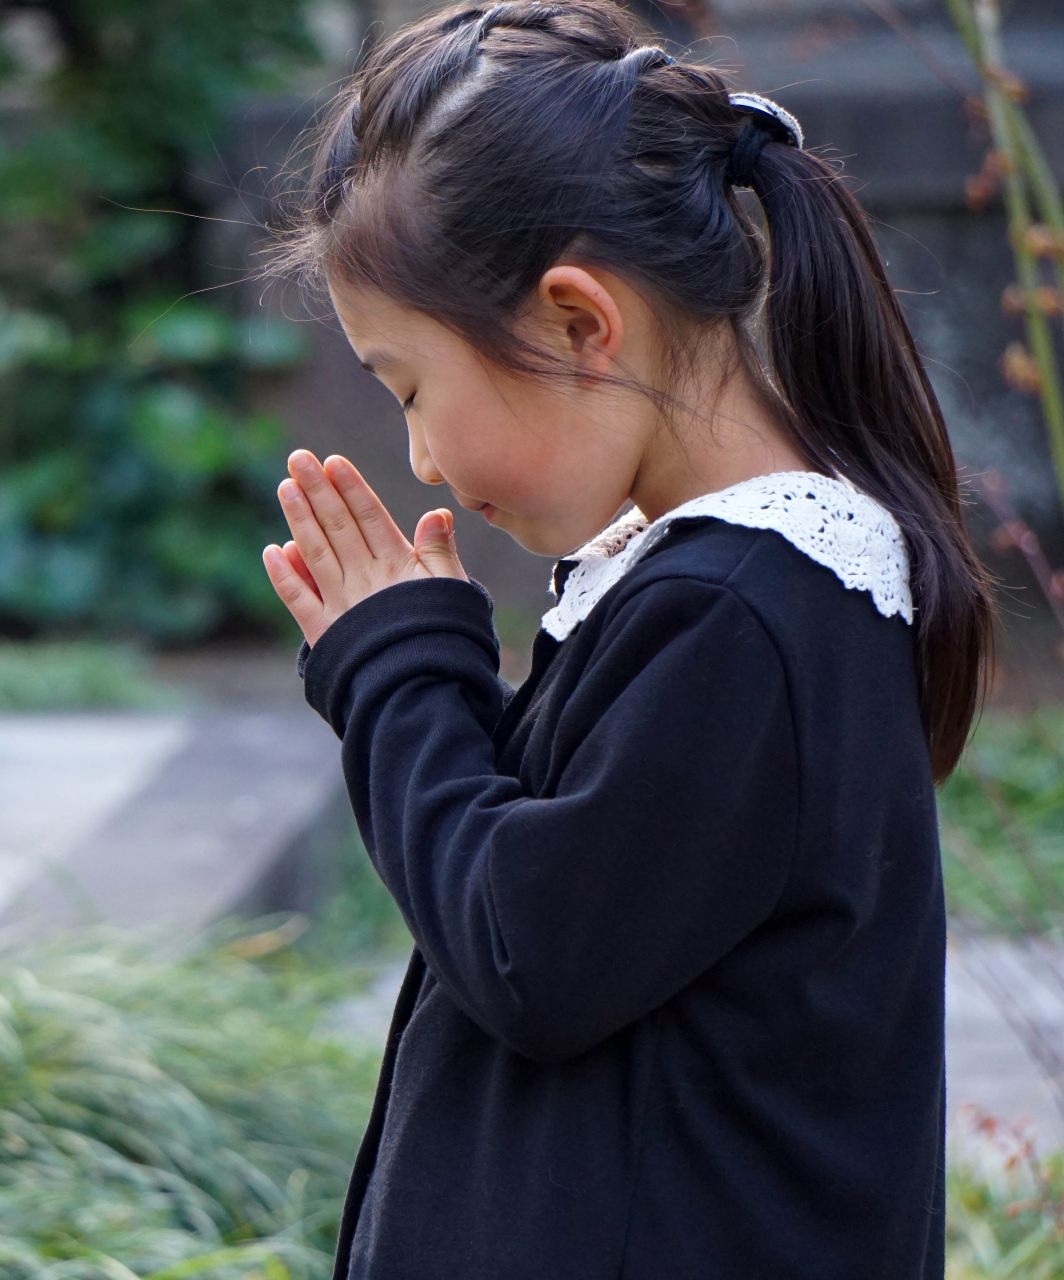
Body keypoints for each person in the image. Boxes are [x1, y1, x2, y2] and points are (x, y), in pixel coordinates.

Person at [258, 3, 993, 1277]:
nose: (421, 455)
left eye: (412, 389)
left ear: (576, 324)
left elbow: (528, 950)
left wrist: (400, 677)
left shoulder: (744, 614)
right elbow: (589, 896)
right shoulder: (706, 590)